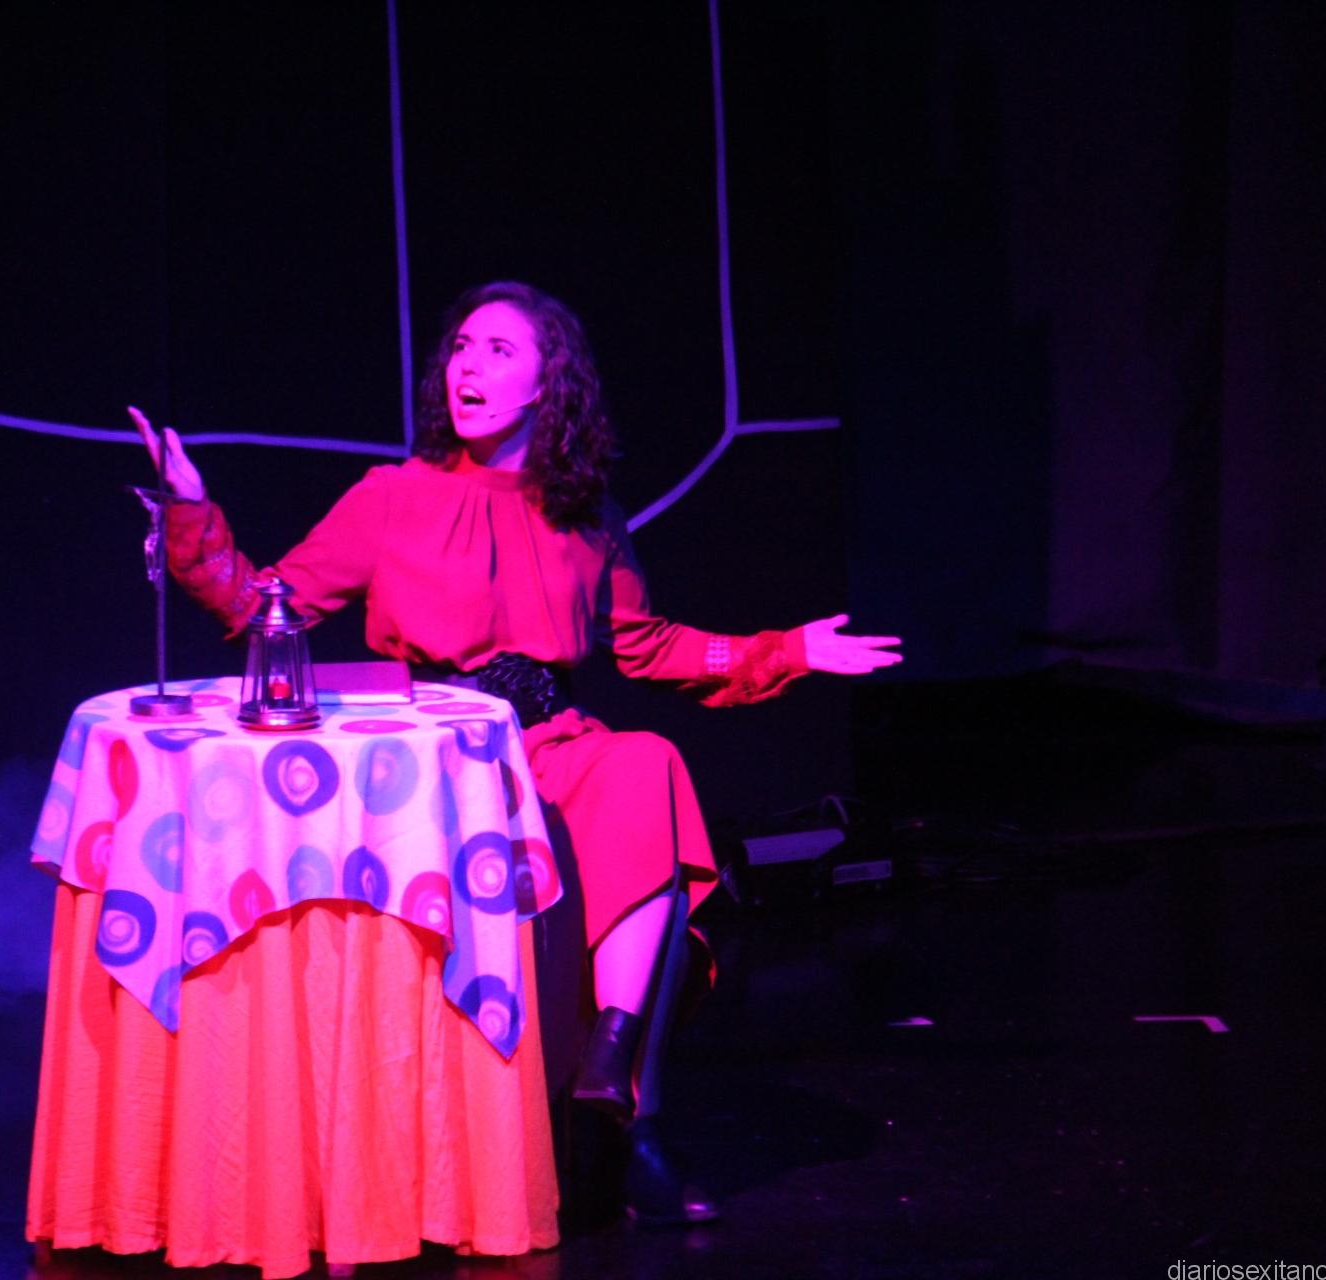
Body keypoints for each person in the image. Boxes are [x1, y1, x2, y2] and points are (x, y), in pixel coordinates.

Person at [133, 280, 900, 1227]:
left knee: (647, 765)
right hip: (429, 759)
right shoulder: (394, 498)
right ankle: (618, 1117)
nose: (468, 365)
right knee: (626, 786)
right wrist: (191, 510)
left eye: (498, 350)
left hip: (545, 742)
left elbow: (645, 645)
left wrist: (788, 650)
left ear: (548, 383)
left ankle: (618, 1084)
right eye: (461, 347)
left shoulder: (588, 516)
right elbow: (265, 608)